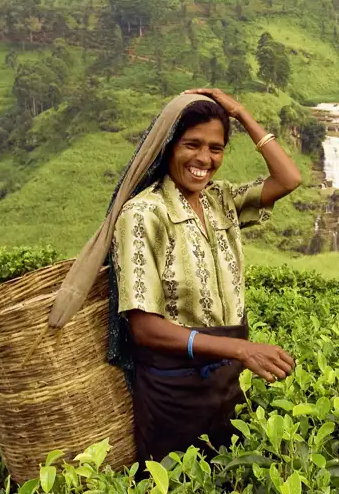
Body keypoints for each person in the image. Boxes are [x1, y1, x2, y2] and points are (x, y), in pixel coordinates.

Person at [108, 88, 302, 465]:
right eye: (191, 144)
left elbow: (289, 178)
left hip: (226, 384)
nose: (204, 159)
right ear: (167, 147)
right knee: (178, 479)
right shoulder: (144, 214)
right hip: (175, 393)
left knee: (229, 474)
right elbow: (145, 329)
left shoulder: (221, 200)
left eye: (216, 148)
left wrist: (241, 112)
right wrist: (243, 350)